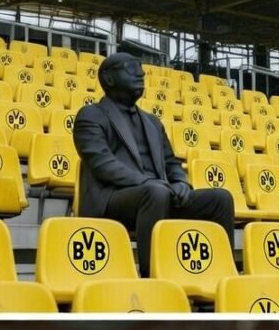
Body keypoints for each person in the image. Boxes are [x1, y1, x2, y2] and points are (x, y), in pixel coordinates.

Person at [72, 53, 235, 277]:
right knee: (155, 192)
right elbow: (102, 164)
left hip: (159, 193)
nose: (140, 74)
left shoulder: (152, 122)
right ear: (108, 78)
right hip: (114, 198)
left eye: (140, 68)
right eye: (131, 68)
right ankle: (153, 275)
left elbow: (171, 162)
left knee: (220, 199)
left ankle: (223, 274)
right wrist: (148, 182)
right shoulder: (91, 115)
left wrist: (180, 182)